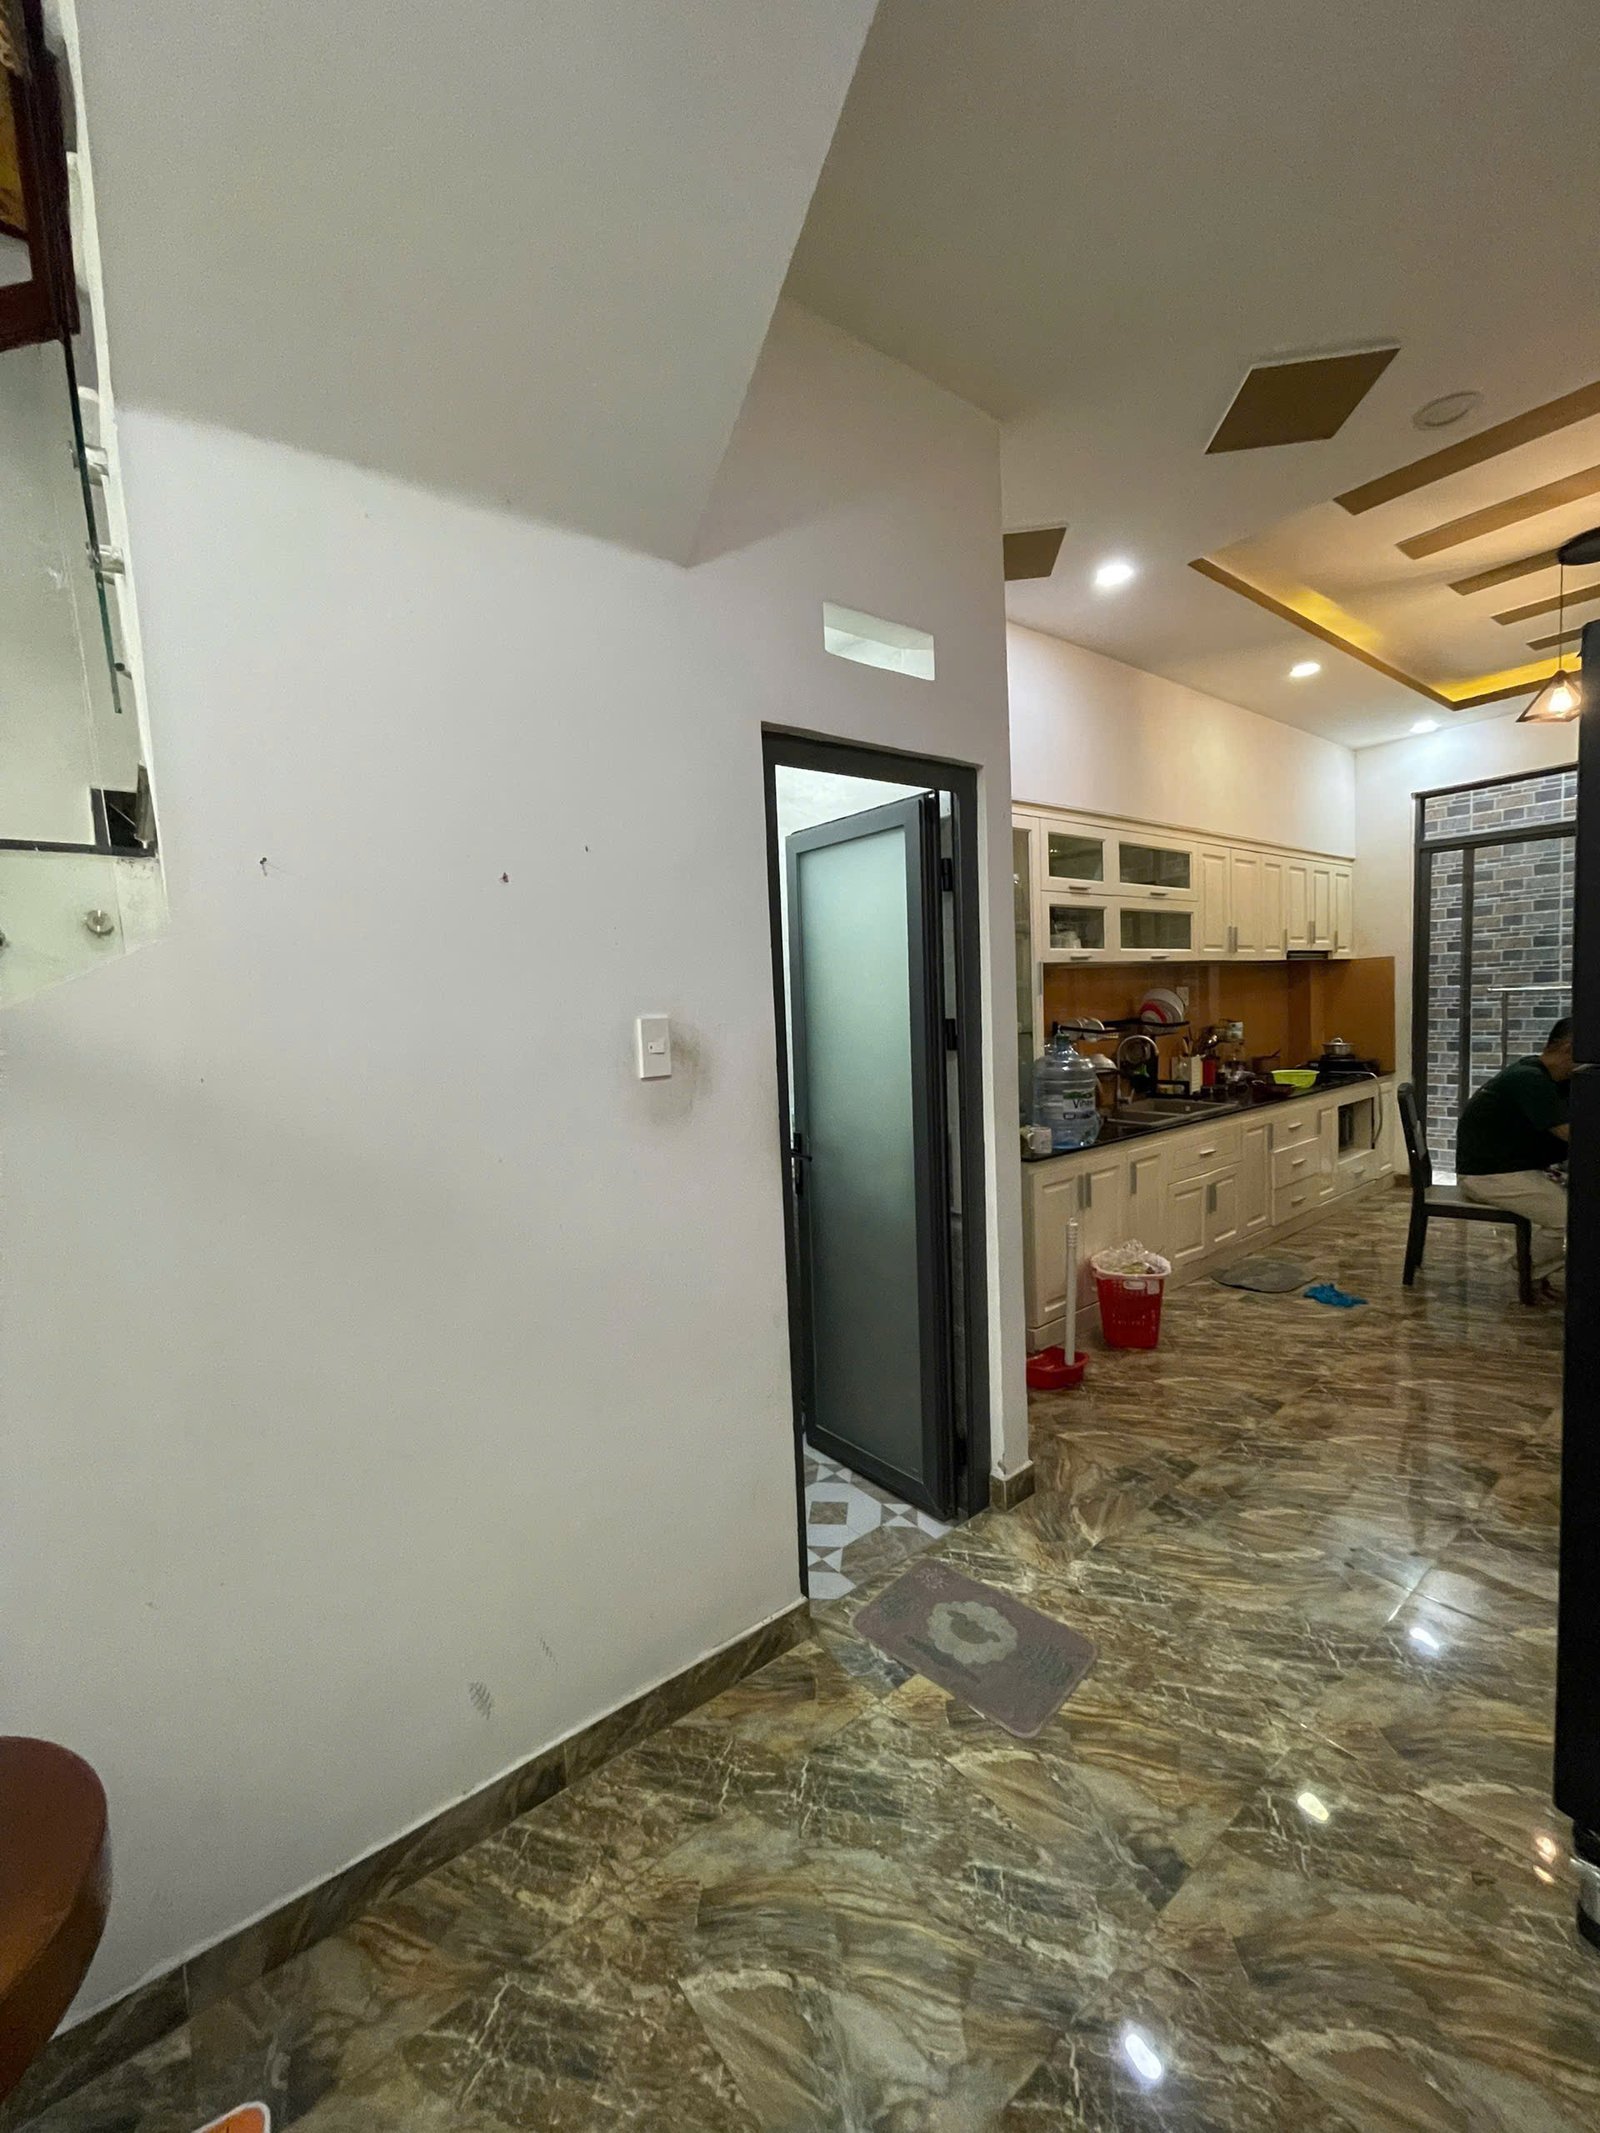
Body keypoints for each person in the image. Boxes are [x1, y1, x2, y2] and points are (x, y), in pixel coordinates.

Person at [1456, 1016, 1573, 1291]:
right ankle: (1522, 1271)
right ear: (1569, 1048)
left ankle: (1532, 1271)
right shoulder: (1530, 1079)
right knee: (1571, 1220)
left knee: (1582, 1208)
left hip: (1509, 1168)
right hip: (1488, 1175)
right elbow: (1571, 1134)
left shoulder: (1541, 1074)